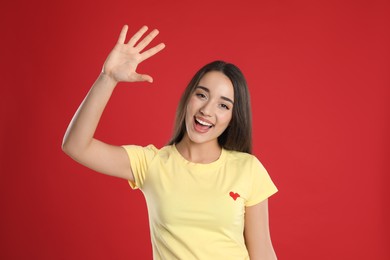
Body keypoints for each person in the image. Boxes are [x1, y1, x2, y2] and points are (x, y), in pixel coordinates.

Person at [62, 25, 278, 260]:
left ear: (234, 117)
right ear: (188, 97)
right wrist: (108, 78)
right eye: (201, 95)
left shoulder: (248, 168)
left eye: (223, 105)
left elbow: (263, 252)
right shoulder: (151, 163)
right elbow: (76, 145)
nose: (207, 110)